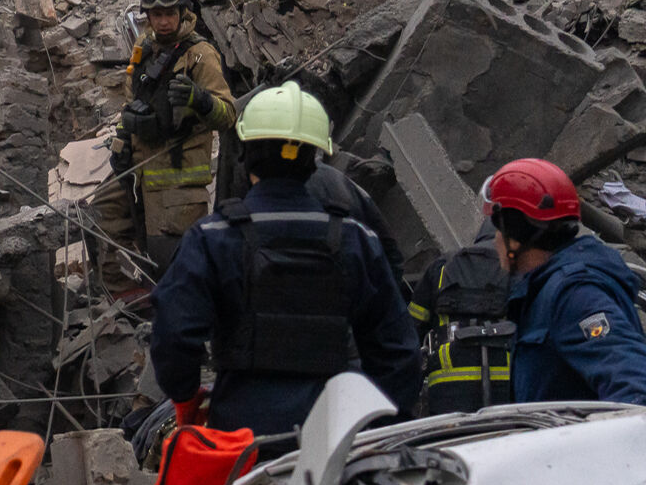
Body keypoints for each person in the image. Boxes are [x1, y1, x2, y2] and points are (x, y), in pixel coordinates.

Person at [149, 83, 420, 437]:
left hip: (241, 441)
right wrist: (377, 425)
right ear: (314, 160)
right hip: (334, 440)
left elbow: (173, 336)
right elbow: (399, 353)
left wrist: (185, 400)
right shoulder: (356, 241)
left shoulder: (212, 238)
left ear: (245, 155)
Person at [96, 0, 237, 274]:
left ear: (182, 12)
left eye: (169, 14)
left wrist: (199, 100)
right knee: (102, 217)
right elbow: (131, 98)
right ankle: (131, 301)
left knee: (170, 261)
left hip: (178, 180)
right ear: (147, 15)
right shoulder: (144, 43)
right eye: (156, 15)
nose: (163, 22)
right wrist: (121, 143)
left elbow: (228, 115)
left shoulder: (201, 55)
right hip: (138, 168)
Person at [483, 158, 646, 405]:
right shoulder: (546, 289)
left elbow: (635, 387)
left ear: (513, 236)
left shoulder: (574, 293)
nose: (494, 240)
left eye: (497, 229)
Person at [410, 230, 515, 414]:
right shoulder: (516, 267)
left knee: (454, 440)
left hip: (447, 382)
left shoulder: (442, 266)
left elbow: (412, 326)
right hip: (505, 378)